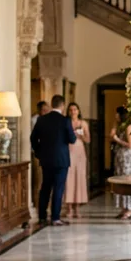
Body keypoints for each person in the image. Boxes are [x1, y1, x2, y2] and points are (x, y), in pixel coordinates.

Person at [30, 94, 76, 226]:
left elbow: (33, 138)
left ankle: (42, 216)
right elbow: (72, 139)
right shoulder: (65, 120)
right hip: (61, 160)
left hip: (46, 159)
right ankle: (55, 217)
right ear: (62, 105)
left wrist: (39, 153)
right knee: (58, 188)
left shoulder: (42, 120)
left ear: (51, 104)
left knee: (45, 187)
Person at [65, 102, 90, 218]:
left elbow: (88, 139)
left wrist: (80, 135)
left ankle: (77, 208)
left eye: (75, 109)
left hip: (79, 151)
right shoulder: (66, 122)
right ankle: (68, 208)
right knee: (68, 179)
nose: (73, 112)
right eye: (70, 110)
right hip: (68, 150)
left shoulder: (83, 123)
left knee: (79, 178)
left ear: (78, 111)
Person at [111, 106, 131, 220]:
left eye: (116, 113)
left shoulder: (129, 127)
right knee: (120, 182)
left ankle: (129, 208)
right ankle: (123, 208)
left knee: (128, 182)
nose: (115, 116)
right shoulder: (120, 126)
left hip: (126, 158)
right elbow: (111, 135)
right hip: (119, 156)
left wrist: (117, 140)